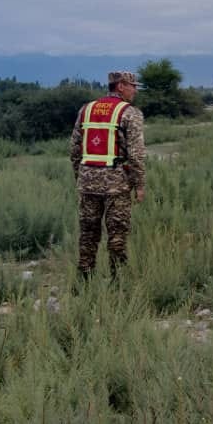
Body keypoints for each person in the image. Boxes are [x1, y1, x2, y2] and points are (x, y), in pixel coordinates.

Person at [70, 71, 146, 280]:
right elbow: (136, 155)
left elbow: (74, 149)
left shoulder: (86, 110)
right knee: (117, 234)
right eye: (132, 86)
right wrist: (140, 185)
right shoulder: (130, 113)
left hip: (87, 183)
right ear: (121, 86)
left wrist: (81, 176)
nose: (135, 90)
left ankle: (84, 280)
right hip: (116, 185)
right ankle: (118, 282)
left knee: (88, 234)